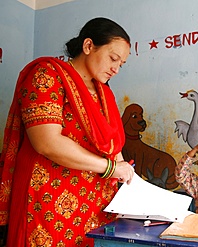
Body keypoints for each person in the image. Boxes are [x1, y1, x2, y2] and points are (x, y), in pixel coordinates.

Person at [0, 17, 135, 246]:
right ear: (88, 46)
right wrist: (111, 168)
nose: (116, 69)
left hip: (95, 205)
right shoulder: (47, 74)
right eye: (113, 58)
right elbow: (47, 142)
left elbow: (114, 148)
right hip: (49, 201)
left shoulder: (104, 93)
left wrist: (130, 190)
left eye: (121, 64)